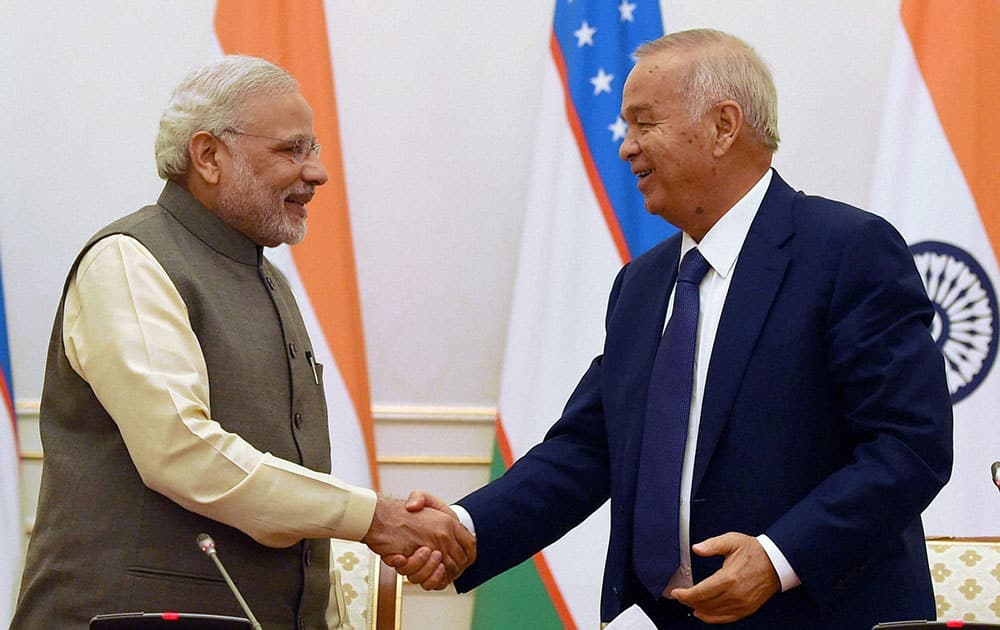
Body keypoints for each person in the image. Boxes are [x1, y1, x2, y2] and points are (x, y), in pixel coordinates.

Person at [397, 29, 953, 628]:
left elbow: (908, 447)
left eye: (643, 123)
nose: (625, 148)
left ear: (723, 125)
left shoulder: (848, 252)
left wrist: (777, 558)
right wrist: (465, 527)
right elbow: (586, 449)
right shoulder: (643, 284)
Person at [12, 55, 474, 630]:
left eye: (315, 150)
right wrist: (373, 518)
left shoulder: (268, 279)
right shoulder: (130, 261)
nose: (317, 172)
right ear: (208, 156)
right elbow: (181, 452)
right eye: (292, 150)